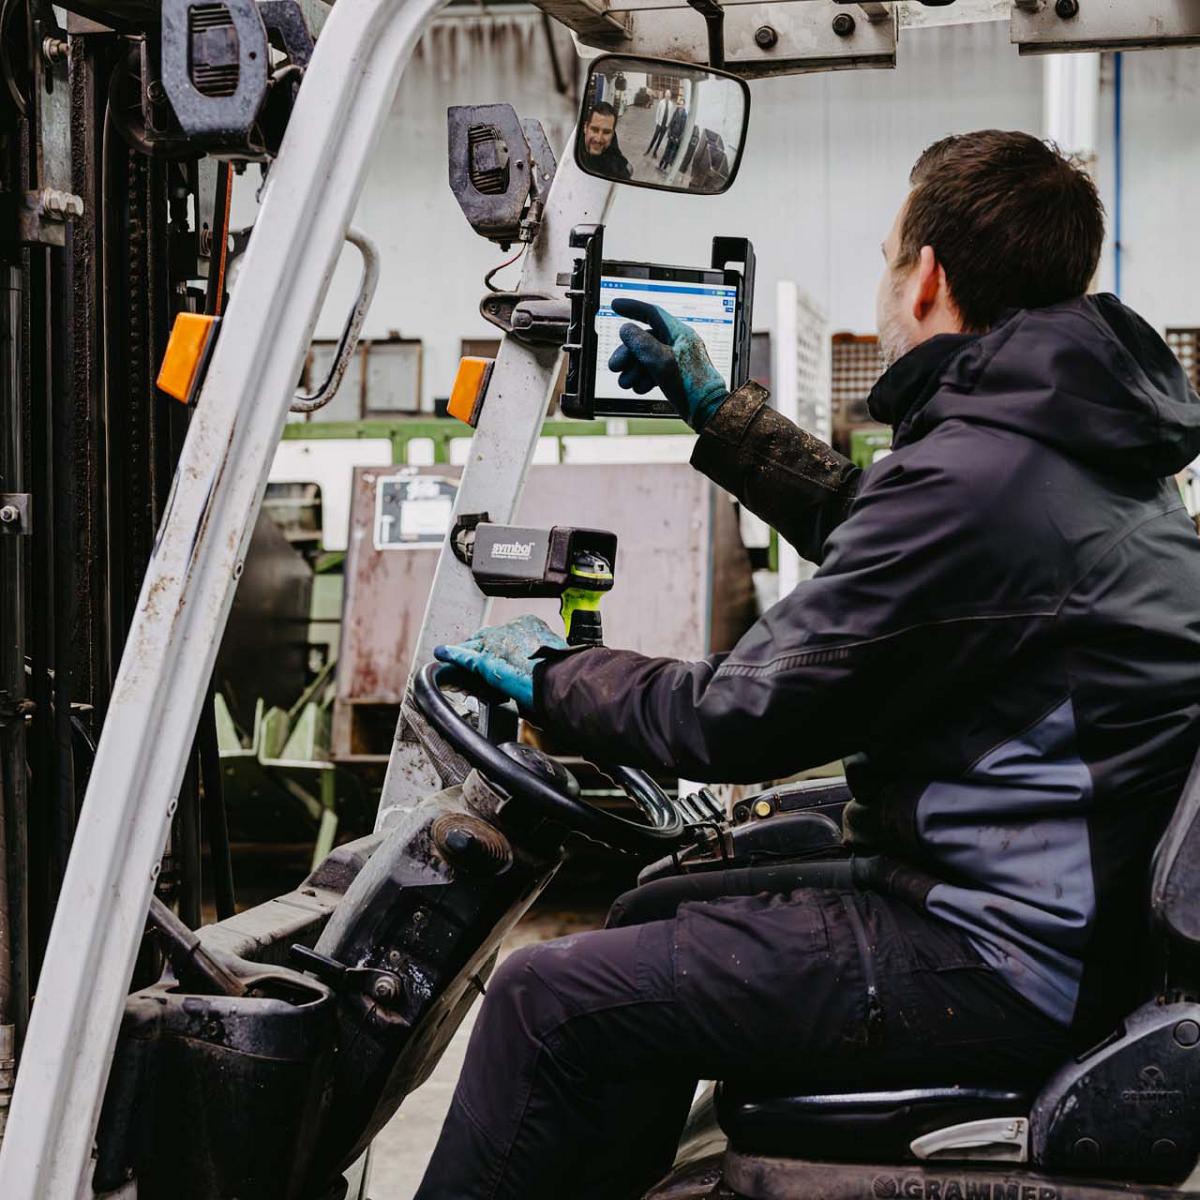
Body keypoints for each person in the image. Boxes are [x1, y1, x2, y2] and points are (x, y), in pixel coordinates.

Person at [416, 130, 1200, 1200]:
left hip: (1004, 951)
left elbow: (738, 718)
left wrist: (556, 675)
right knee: (651, 906)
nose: (883, 284)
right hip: (1051, 910)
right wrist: (720, 417)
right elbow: (895, 549)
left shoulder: (985, 472)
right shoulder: (1073, 449)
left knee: (547, 996)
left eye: (887, 257)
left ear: (926, 277)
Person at [579, 100, 632, 181]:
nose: (598, 139)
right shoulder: (573, 149)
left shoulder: (614, 158)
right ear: (585, 127)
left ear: (613, 134)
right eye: (595, 130)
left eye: (606, 132)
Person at [658, 94, 689, 173]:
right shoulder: (676, 112)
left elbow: (683, 128)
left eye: (682, 105)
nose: (680, 106)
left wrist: (678, 138)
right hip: (671, 135)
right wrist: (669, 133)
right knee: (666, 151)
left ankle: (665, 168)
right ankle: (660, 166)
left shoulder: (685, 116)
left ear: (684, 105)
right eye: (679, 104)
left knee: (671, 153)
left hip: (676, 137)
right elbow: (671, 123)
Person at [646, 90, 670, 155]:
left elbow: (670, 115)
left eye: (669, 94)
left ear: (670, 95)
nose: (667, 95)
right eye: (666, 94)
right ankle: (648, 150)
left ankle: (655, 152)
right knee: (654, 138)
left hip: (665, 126)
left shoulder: (671, 104)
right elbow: (657, 112)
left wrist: (668, 125)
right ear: (665, 95)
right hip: (659, 125)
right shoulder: (661, 102)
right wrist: (657, 122)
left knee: (660, 140)